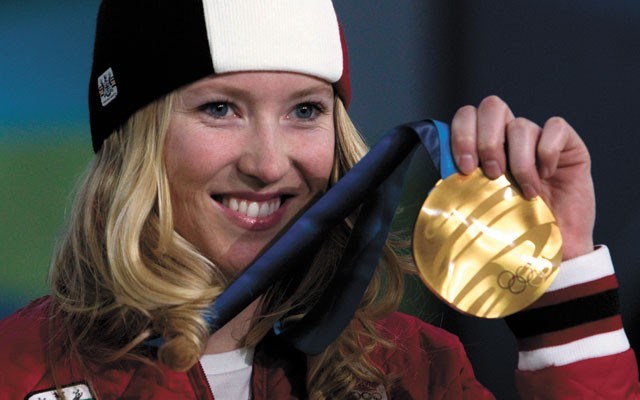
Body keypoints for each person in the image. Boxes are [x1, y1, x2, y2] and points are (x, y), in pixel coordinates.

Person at [0, 1, 637, 399]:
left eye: (305, 110)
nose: (270, 163)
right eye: (219, 109)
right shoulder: (19, 370)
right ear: (133, 142)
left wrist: (565, 272)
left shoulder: (412, 369)